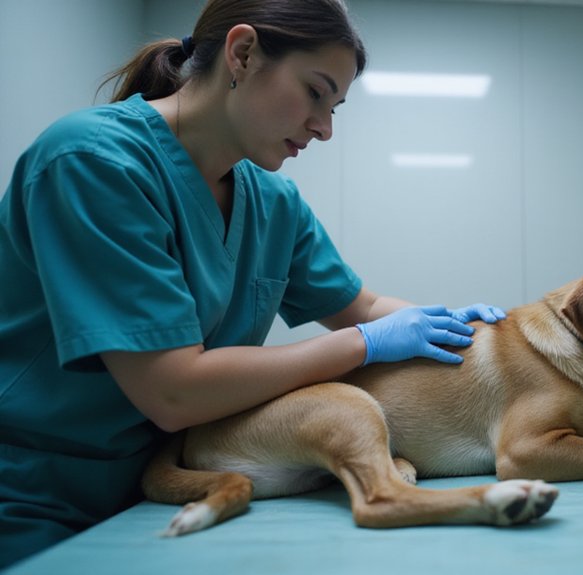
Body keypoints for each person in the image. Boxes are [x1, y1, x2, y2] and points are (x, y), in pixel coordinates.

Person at [0, 0, 505, 568]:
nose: (325, 128)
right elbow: (173, 390)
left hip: (161, 490)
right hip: (36, 500)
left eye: (336, 107)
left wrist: (487, 343)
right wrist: (363, 344)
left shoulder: (273, 202)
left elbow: (359, 306)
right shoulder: (91, 162)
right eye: (316, 92)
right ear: (242, 54)